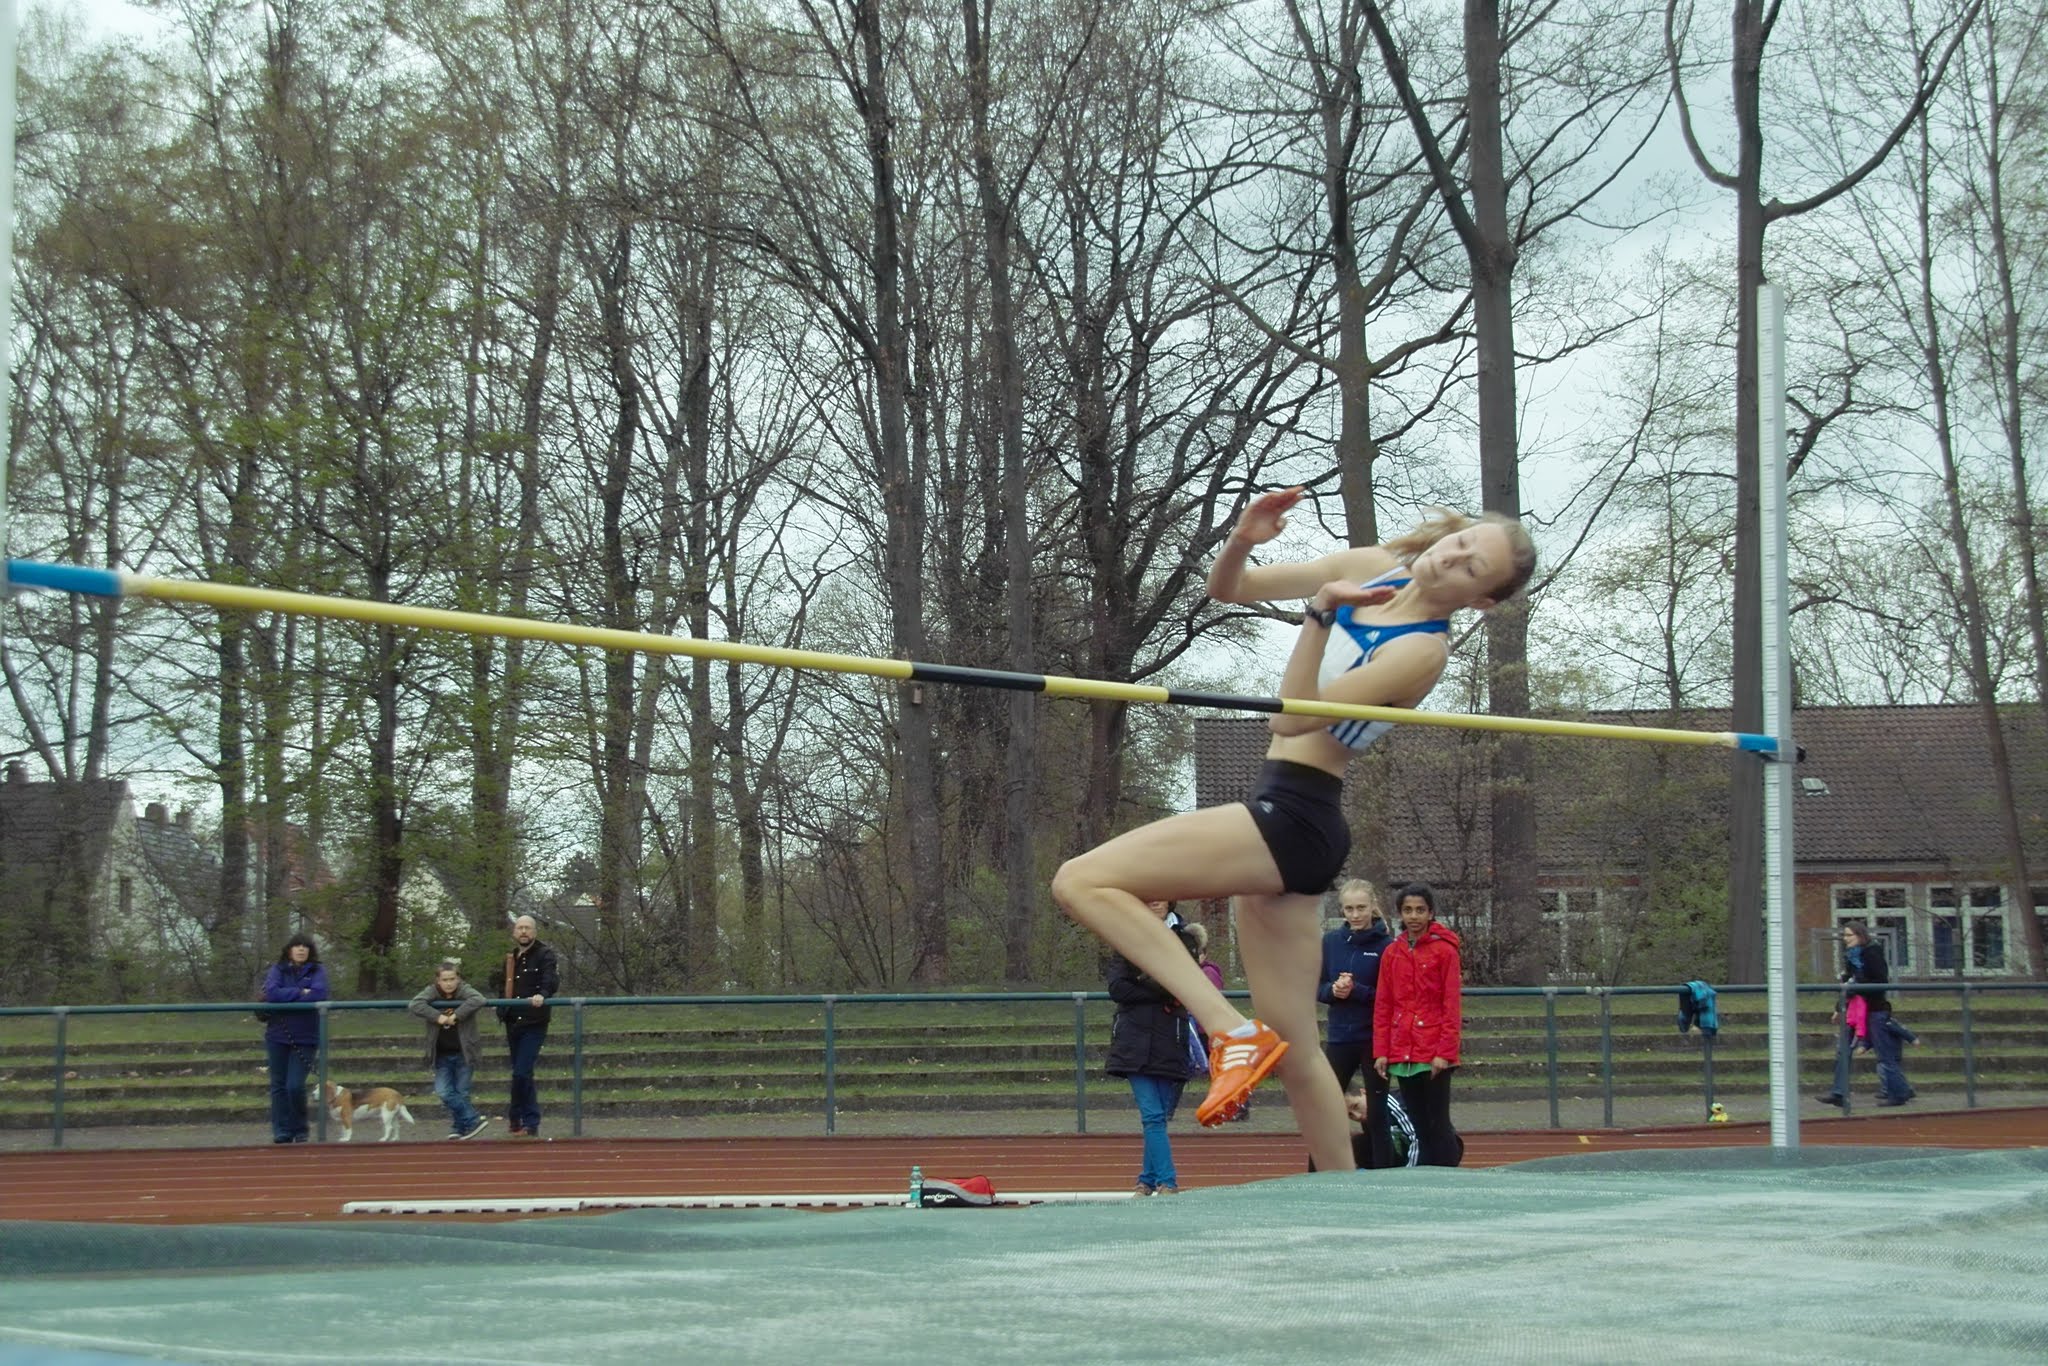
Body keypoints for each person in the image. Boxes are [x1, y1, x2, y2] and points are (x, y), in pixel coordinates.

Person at [1052, 488, 1535, 1171]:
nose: (1450, 558)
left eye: (1470, 568)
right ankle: (1346, 1195)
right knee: (1298, 1046)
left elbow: (1292, 716)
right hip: (1292, 821)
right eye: (1460, 543)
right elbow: (1229, 589)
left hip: (1296, 816)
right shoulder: (1372, 565)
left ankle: (1226, 1029)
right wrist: (1244, 539)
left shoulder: (1422, 650)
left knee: (1081, 880)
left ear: (1479, 600)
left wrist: (1318, 615)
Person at [1107, 915, 1203, 1196]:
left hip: (1170, 1040)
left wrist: (1141, 982)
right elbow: (1118, 988)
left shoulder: (1186, 939)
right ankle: (1168, 1181)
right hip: (1133, 1043)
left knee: (1157, 1117)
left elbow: (1184, 985)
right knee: (1152, 1115)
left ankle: (1146, 1180)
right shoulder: (1125, 939)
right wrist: (1160, 988)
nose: (1156, 902)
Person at [1374, 882, 1465, 1167]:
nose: (1414, 916)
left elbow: (1451, 1004)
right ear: (1400, 914)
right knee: (1418, 1123)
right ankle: (1425, 1176)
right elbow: (1384, 1004)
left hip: (1433, 1048)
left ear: (1431, 913)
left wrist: (1445, 1053)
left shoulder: (1445, 952)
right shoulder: (1392, 953)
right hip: (1403, 1050)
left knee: (1439, 1122)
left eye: (1420, 910)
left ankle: (1448, 1174)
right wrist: (1382, 1051)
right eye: (1408, 910)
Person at [1320, 879, 1396, 1166]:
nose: (1355, 914)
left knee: (1376, 1113)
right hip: (1340, 1036)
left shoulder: (1387, 946)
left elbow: (1392, 997)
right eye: (1349, 908)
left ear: (1373, 906)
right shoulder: (1330, 942)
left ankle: (1384, 1174)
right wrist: (1333, 991)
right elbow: (1317, 987)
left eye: (1361, 908)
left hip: (1373, 1038)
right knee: (1325, 1109)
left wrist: (1358, 991)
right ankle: (1318, 1174)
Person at [1820, 921, 1914, 1109]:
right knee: (1843, 1050)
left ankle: (1900, 1092)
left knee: (1884, 1053)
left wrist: (1856, 987)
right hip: (1855, 1010)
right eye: (1844, 935)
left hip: (1874, 1009)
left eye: (1849, 935)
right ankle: (1839, 1092)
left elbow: (1879, 981)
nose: (1845, 939)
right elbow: (1847, 983)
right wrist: (1839, 1007)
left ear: (1860, 935)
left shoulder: (1872, 953)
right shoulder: (1851, 956)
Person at [259, 933, 329, 1144]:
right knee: (278, 1085)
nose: (301, 949)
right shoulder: (277, 969)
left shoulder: (317, 970)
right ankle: (281, 1130)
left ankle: (300, 1129)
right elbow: (272, 993)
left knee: (295, 1086)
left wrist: (288, 994)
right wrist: (301, 992)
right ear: (289, 950)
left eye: (305, 946)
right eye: (297, 946)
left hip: (306, 1036)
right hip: (277, 1035)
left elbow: (319, 994)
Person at [409, 960, 491, 1140]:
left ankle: (459, 1128)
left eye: (452, 979)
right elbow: (415, 1004)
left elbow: (479, 999)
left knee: (462, 1092)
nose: (449, 983)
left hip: (464, 1052)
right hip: (441, 1054)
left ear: (458, 979)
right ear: (438, 980)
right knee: (444, 1092)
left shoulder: (464, 990)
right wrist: (438, 1016)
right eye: (445, 980)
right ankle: (473, 1119)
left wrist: (456, 1015)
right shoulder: (432, 991)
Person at [499, 914, 561, 1137]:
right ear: (514, 932)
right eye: (520, 928)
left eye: (527, 928)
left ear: (534, 932)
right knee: (521, 1073)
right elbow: (501, 984)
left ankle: (525, 1119)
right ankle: (521, 1121)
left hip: (534, 1022)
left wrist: (542, 994)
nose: (523, 931)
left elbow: (550, 980)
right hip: (512, 1022)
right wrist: (500, 1007)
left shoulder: (545, 955)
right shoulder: (510, 957)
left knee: (521, 1072)